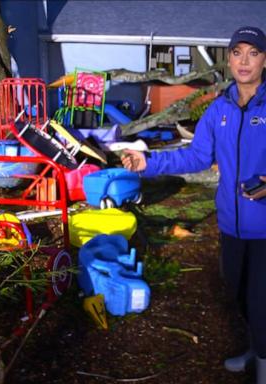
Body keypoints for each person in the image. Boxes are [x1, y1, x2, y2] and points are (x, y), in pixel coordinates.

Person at [122, 26, 266, 383]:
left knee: (262, 301)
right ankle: (256, 348)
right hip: (232, 225)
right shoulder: (219, 109)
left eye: (253, 53)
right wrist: (148, 163)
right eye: (237, 53)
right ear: (229, 60)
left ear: (265, 60)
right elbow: (197, 157)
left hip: (265, 228)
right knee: (239, 293)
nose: (244, 61)